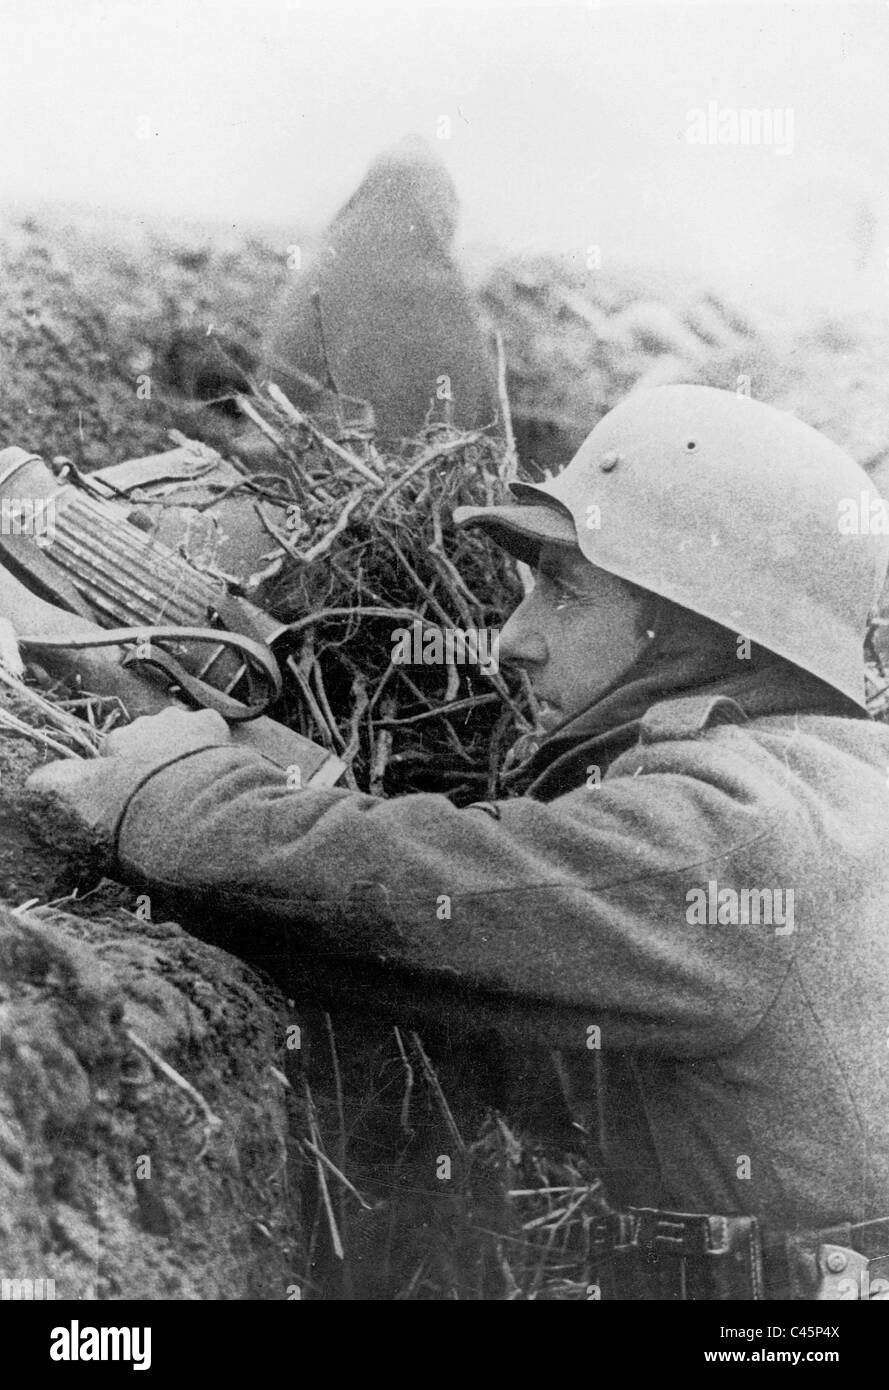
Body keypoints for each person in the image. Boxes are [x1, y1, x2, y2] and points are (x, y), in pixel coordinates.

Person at [29, 384, 889, 1300]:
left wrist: (165, 789)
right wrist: (296, 781)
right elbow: (505, 987)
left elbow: (425, 891)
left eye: (563, 590)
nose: (510, 641)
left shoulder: (735, 829)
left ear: (696, 625)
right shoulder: (831, 786)